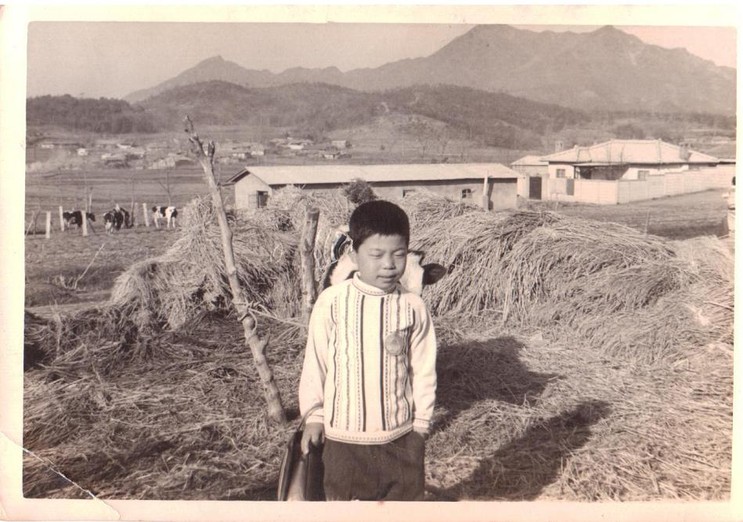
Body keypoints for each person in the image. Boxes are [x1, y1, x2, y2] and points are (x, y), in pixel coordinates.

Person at [298, 200, 437, 501]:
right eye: (376, 255)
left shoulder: (413, 306)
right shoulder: (332, 302)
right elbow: (316, 363)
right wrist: (314, 416)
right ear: (353, 255)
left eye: (399, 254)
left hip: (401, 440)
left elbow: (424, 370)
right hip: (343, 442)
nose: (389, 265)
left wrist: (420, 428)